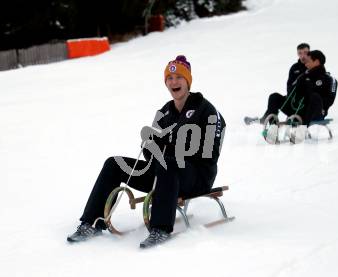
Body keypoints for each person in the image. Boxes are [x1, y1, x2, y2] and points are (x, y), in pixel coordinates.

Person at [67, 55, 226, 248]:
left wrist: (175, 150)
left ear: (188, 81)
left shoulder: (205, 109)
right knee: (113, 164)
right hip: (163, 172)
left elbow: (210, 154)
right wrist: (151, 146)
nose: (174, 82)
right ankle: (91, 222)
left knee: (169, 162)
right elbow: (152, 153)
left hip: (197, 176)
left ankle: (160, 229)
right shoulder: (165, 112)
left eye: (179, 78)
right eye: (170, 78)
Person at [246, 50, 337, 125]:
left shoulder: (329, 79)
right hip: (297, 110)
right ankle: (273, 128)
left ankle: (303, 128)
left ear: (316, 62)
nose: (305, 64)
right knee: (274, 97)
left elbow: (329, 101)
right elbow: (291, 92)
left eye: (308, 61)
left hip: (315, 112)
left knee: (315, 97)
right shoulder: (303, 76)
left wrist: (309, 97)